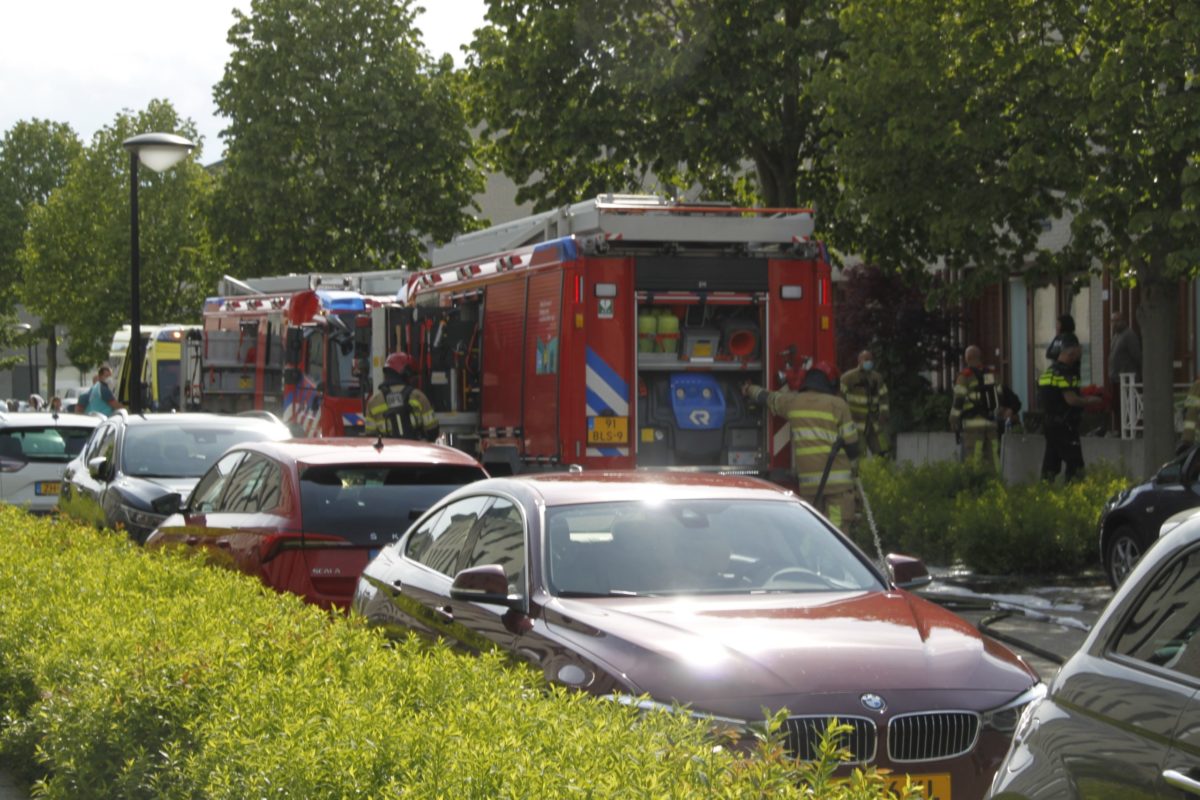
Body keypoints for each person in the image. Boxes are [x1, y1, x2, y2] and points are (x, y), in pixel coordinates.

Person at [744, 361, 860, 528]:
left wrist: (749, 389)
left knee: (815, 531)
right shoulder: (838, 405)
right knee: (836, 533)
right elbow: (853, 447)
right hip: (838, 490)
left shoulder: (793, 403)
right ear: (832, 382)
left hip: (811, 488)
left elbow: (768, 398)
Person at [1039, 333, 1103, 482]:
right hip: (1064, 425)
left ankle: (1043, 495)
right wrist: (1091, 400)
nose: (1081, 351)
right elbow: (1071, 400)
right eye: (1078, 348)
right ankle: (1074, 496)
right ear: (1071, 351)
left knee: (1051, 463)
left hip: (1050, 424)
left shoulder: (1048, 372)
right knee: (1076, 466)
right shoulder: (1066, 373)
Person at [949, 345, 1014, 472]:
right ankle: (995, 486)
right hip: (991, 422)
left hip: (973, 425)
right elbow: (1000, 396)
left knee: (975, 459)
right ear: (979, 357)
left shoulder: (964, 376)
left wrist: (953, 420)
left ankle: (976, 487)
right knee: (994, 458)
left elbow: (958, 401)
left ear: (967, 358)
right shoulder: (990, 375)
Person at [364, 352, 439, 441]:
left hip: (387, 452)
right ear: (407, 373)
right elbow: (432, 431)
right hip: (416, 452)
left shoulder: (373, 402)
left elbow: (370, 437)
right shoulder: (418, 397)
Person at [839, 349, 891, 457]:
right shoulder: (848, 377)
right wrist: (844, 418)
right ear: (859, 360)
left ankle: (880, 473)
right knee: (859, 453)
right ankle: (860, 473)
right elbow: (840, 398)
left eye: (871, 360)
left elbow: (884, 396)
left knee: (882, 452)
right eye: (866, 359)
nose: (869, 362)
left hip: (874, 423)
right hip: (856, 424)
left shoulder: (877, 378)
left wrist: (884, 413)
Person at [1107, 311, 1141, 435]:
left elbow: (1137, 356)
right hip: (1115, 378)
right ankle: (1119, 429)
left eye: (1116, 320)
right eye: (1112, 321)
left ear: (1123, 321)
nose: (1113, 324)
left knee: (1127, 405)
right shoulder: (1115, 336)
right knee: (1116, 406)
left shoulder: (1129, 335)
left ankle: (1129, 431)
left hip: (1126, 378)